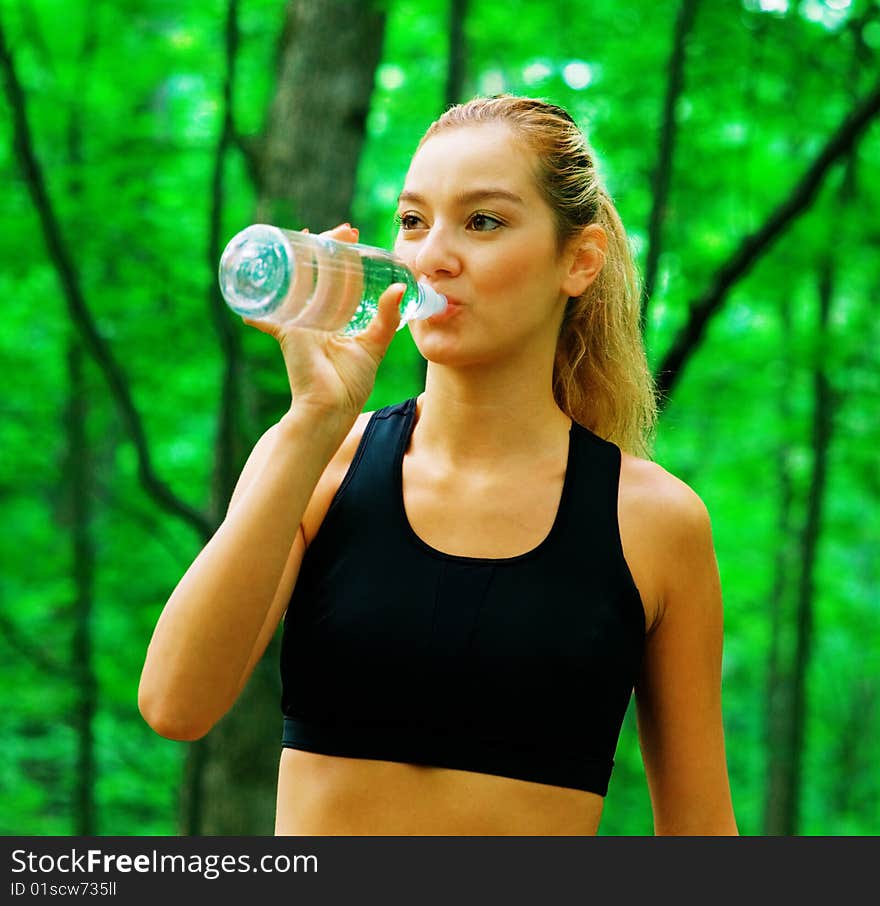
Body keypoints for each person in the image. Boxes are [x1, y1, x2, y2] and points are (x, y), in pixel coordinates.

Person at [138, 94, 739, 836]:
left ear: (578, 261)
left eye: (483, 222)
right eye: (414, 221)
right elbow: (175, 704)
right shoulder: (319, 462)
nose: (431, 257)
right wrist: (313, 421)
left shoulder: (654, 523)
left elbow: (703, 836)